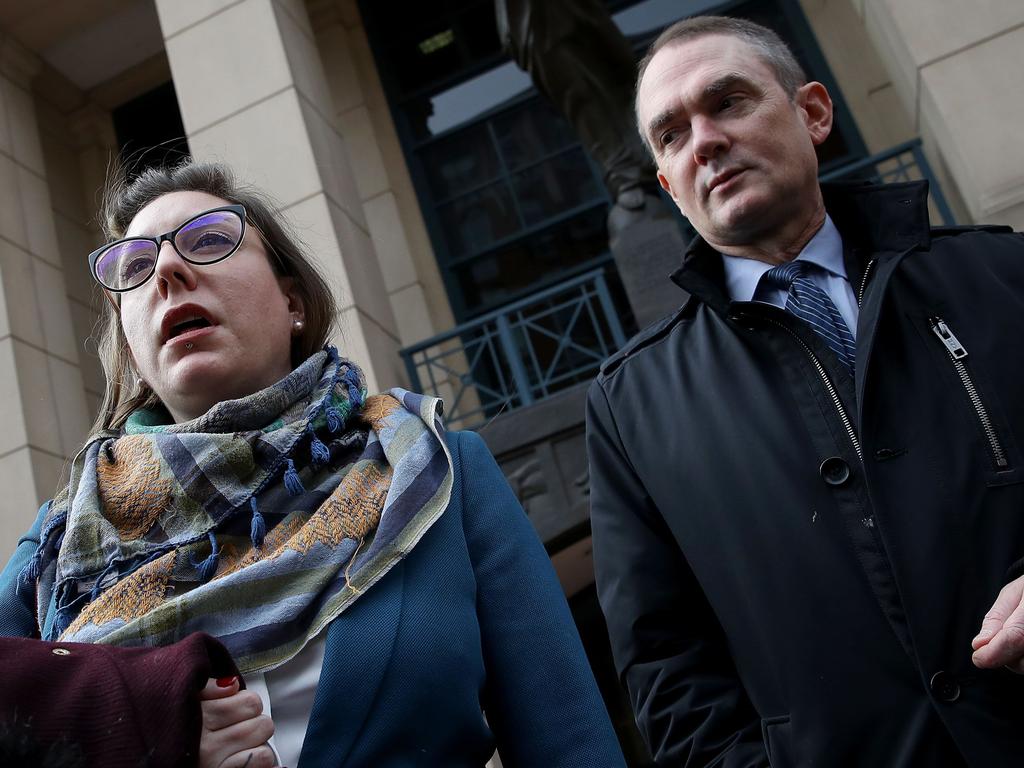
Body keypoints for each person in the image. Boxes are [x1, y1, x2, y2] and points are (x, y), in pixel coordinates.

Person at [0, 160, 626, 768]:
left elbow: (569, 741)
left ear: (292, 300)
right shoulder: (56, 549)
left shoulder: (439, 469)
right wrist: (147, 729)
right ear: (132, 349)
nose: (166, 268)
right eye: (134, 267)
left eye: (210, 240)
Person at [587, 15, 1024, 768]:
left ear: (813, 112)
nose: (705, 140)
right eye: (672, 135)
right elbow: (669, 676)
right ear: (668, 184)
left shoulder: (1002, 276)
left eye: (727, 102)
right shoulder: (632, 409)